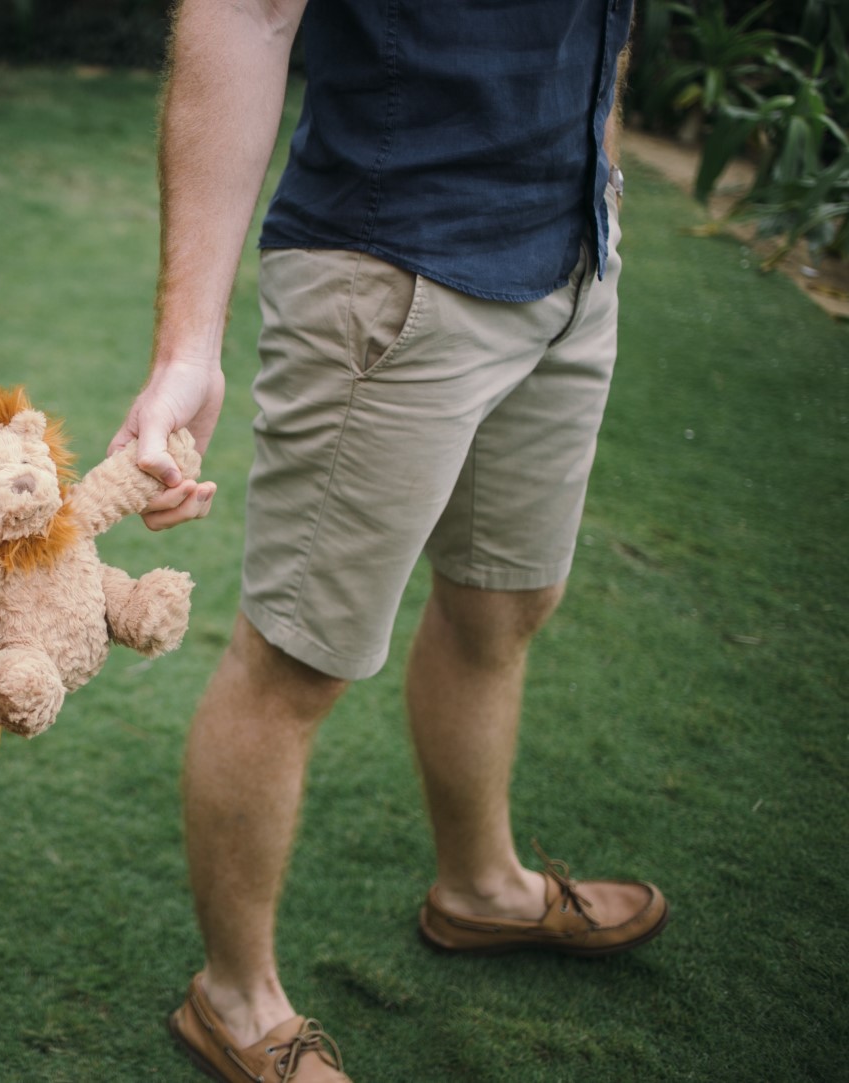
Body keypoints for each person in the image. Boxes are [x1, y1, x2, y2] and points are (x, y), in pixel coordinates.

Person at [110, 1, 668, 1080]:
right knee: (295, 658)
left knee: (504, 601)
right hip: (394, 269)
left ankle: (482, 889)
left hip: (570, 260)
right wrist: (189, 343)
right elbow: (246, 15)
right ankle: (232, 998)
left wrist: (594, 181)